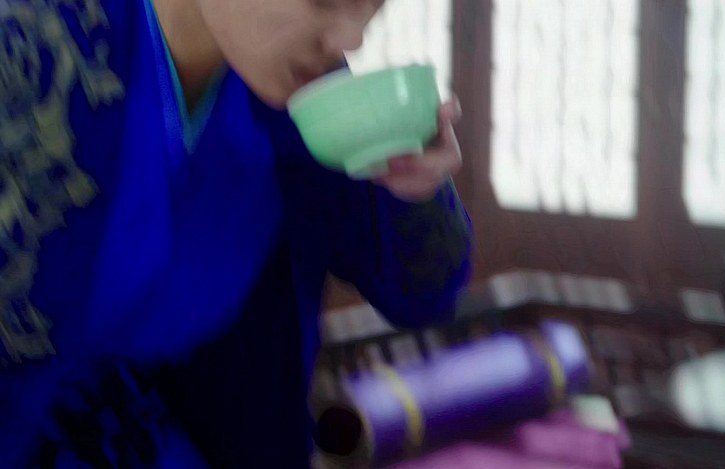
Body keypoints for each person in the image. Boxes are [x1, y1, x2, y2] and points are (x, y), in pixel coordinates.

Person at [0, 0, 472, 467]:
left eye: (373, 6)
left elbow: (424, 295)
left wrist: (414, 183)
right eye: (325, 1)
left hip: (179, 439)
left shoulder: (308, 98)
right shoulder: (27, 40)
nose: (352, 38)